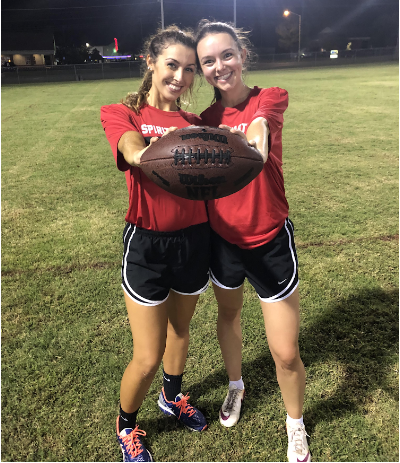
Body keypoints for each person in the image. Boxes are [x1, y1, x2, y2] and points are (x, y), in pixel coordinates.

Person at [195, 20, 311, 462]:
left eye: (227, 55)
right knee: (229, 315)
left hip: (268, 241)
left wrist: (254, 139)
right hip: (223, 241)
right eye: (209, 61)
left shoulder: (270, 97)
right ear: (202, 69)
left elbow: (260, 125)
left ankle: (295, 423)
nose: (219, 66)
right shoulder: (203, 122)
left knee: (285, 352)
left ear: (242, 55)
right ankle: (236, 386)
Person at [101, 26, 209, 462]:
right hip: (146, 244)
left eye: (189, 69)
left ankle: (172, 396)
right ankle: (126, 424)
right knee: (147, 356)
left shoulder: (197, 125)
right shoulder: (121, 112)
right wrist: (150, 153)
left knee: (180, 332)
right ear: (150, 63)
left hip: (194, 239)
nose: (181, 77)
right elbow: (129, 148)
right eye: (172, 64)